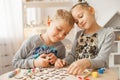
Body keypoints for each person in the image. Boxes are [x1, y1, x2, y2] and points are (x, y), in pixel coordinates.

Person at [55, 1, 115, 75]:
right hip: (80, 74)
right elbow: (72, 55)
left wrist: (86, 62)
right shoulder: (78, 34)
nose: (79, 22)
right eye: (76, 22)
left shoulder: (108, 33)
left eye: (81, 16)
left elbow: (102, 60)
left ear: (91, 10)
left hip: (98, 75)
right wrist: (64, 61)